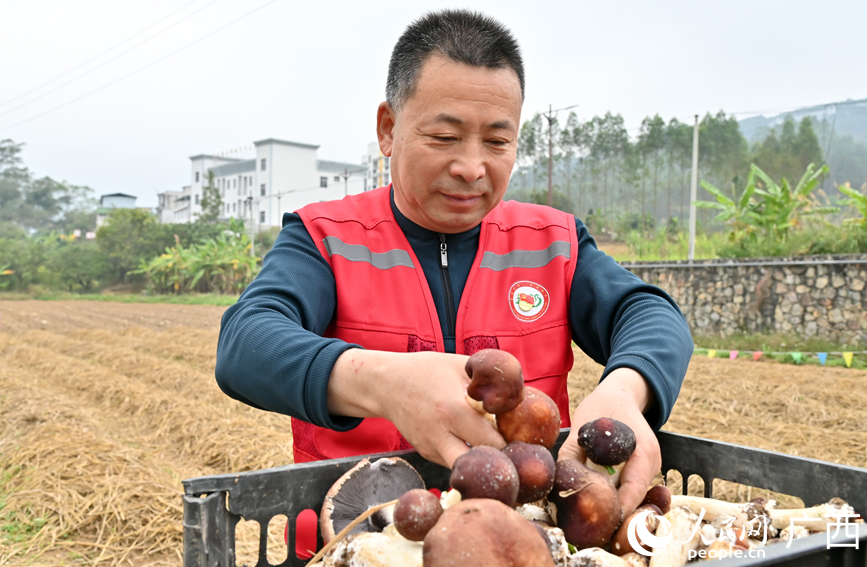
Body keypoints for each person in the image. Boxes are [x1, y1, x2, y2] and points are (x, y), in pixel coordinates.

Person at [215, 9, 692, 516]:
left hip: (522, 533)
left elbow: (649, 314)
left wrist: (624, 391)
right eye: (444, 138)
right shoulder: (326, 238)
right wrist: (384, 383)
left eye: (497, 142)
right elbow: (246, 342)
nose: (470, 167)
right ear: (388, 129)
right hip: (357, 534)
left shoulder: (553, 243)